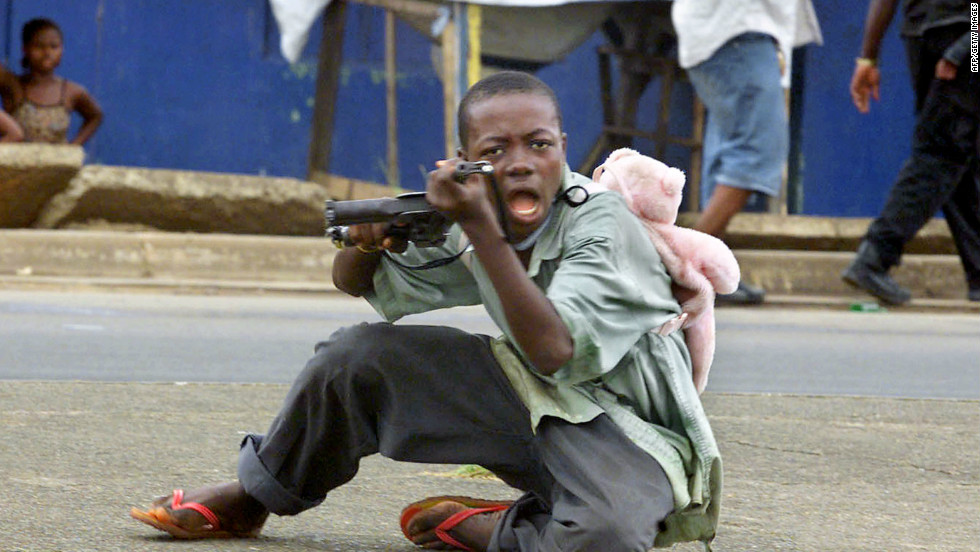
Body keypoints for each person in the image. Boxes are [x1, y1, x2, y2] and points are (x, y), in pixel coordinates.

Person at [129, 71, 722, 551]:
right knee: (353, 358)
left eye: (538, 144)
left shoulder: (600, 223)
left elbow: (555, 348)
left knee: (606, 538)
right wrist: (368, 241)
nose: (520, 162)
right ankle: (255, 496)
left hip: (629, 432)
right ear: (467, 159)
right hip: (529, 396)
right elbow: (359, 284)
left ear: (562, 148)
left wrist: (479, 229)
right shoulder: (478, 210)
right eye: (496, 150)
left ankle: (493, 528)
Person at [671, 0, 822, 304]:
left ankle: (709, 271)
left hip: (728, 30)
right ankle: (688, 272)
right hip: (736, 30)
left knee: (728, 149)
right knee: (757, 150)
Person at [842, 0, 979, 304]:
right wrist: (969, 45)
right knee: (943, 152)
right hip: (966, 28)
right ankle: (876, 255)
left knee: (958, 151)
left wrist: (867, 58)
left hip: (920, 36)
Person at [0, 17, 102, 145]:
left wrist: (74, 146)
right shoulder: (13, 86)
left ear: (62, 49)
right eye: (39, 46)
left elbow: (95, 116)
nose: (47, 52)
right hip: (17, 163)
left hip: (57, 164)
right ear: (25, 49)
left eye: (54, 47)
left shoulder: (71, 91)